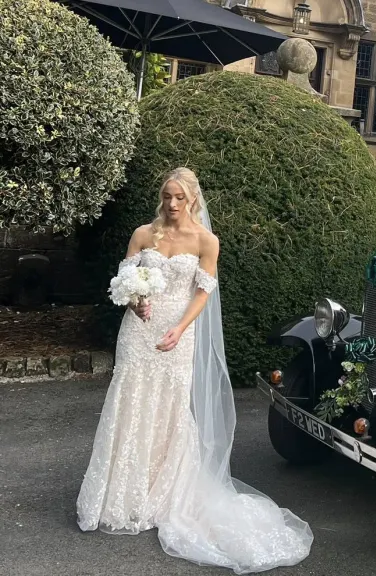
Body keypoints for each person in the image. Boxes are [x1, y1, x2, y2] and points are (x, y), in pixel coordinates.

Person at [76, 167, 313, 573]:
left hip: (177, 333)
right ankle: (122, 494)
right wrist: (136, 302)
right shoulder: (142, 234)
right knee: (129, 401)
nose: (171, 205)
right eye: (166, 196)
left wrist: (180, 328)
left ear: (193, 200)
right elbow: (125, 279)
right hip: (137, 332)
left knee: (168, 406)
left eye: (179, 198)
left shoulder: (207, 241)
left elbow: (203, 292)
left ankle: (162, 492)